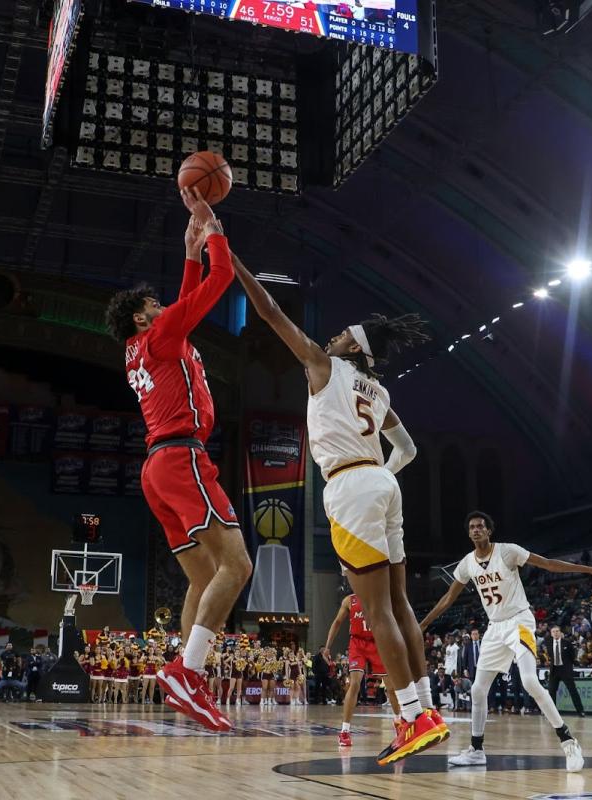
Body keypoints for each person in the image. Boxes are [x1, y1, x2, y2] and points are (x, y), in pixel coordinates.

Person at [229, 251, 440, 765]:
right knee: (401, 604)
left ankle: (412, 719)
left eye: (343, 334)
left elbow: (270, 312)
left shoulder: (324, 367)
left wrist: (229, 257)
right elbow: (409, 450)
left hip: (351, 485)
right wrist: (382, 478)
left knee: (379, 610)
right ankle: (428, 709)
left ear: (354, 348)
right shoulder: (380, 391)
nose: (333, 337)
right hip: (382, 485)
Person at [106, 189, 252, 732]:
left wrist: (189, 251)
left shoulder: (143, 347)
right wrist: (212, 229)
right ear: (142, 317)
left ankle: (188, 678)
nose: (164, 306)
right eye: (154, 305)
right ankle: (187, 672)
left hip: (157, 468)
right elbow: (220, 280)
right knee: (237, 566)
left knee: (203, 576)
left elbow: (186, 301)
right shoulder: (163, 335)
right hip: (182, 457)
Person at [420, 511, 592, 772]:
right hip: (495, 627)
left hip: (519, 621)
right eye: (472, 527)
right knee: (478, 690)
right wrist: (423, 624)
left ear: (489, 530)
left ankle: (569, 741)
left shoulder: (507, 551)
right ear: (469, 533)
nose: (476, 530)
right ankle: (476, 750)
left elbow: (548, 564)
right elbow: (448, 598)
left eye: (481, 526)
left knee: (530, 681)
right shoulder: (467, 563)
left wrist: (591, 570)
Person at [323, 592, 401, 748]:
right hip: (357, 644)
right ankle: (345, 731)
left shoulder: (381, 596)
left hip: (378, 642)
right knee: (355, 684)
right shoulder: (349, 600)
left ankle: (399, 721)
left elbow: (393, 621)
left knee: (391, 688)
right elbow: (337, 622)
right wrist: (327, 646)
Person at [542, 626, 584, 717]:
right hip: (554, 670)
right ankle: (552, 712)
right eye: (553, 632)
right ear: (551, 634)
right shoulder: (549, 643)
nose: (556, 633)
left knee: (572, 690)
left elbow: (572, 656)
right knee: (551, 691)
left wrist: (572, 665)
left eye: (557, 631)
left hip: (565, 670)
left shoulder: (567, 643)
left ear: (560, 633)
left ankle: (580, 711)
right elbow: (550, 656)